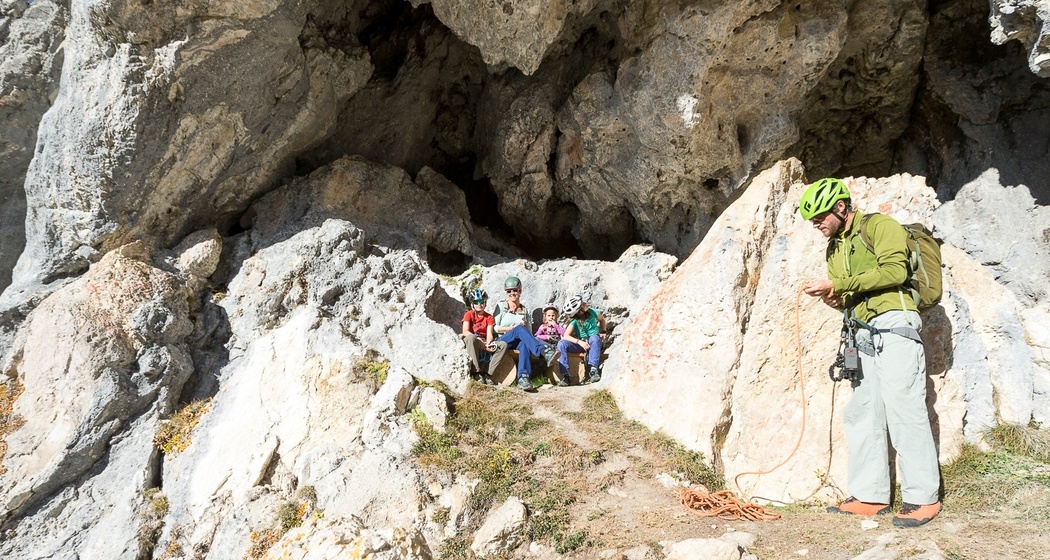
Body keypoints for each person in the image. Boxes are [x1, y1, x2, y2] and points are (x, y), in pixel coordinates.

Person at [799, 177, 941, 528]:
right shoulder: (833, 249)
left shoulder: (879, 226)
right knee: (863, 411)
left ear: (841, 207)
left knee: (904, 407)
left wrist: (839, 285)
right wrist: (836, 300)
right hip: (862, 332)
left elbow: (895, 270)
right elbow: (850, 296)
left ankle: (923, 498)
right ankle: (869, 495)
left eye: (820, 217)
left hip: (896, 324)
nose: (817, 225)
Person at [492, 276, 558, 391]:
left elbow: (529, 333)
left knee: (524, 343)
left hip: (517, 342)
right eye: (509, 291)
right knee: (519, 329)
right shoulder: (501, 307)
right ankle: (544, 352)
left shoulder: (525, 310)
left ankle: (523, 378)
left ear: (520, 291)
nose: (512, 293)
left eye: (515, 290)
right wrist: (509, 329)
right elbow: (494, 327)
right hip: (503, 341)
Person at [557, 295, 607, 385]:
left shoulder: (593, 312)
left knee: (595, 338)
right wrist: (580, 342)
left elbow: (602, 320)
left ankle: (593, 370)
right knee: (562, 344)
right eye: (582, 305)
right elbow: (566, 336)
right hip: (581, 343)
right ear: (579, 311)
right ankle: (565, 375)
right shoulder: (575, 321)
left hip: (593, 342)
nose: (585, 304)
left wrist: (603, 331)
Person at [460, 289, 507, 385]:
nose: (479, 305)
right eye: (476, 302)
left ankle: (488, 373)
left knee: (503, 345)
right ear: (473, 304)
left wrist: (488, 344)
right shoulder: (468, 314)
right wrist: (477, 340)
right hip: (472, 339)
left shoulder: (489, 317)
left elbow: (489, 333)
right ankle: (476, 372)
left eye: (481, 302)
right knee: (471, 338)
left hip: (484, 341)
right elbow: (465, 331)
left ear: (485, 303)